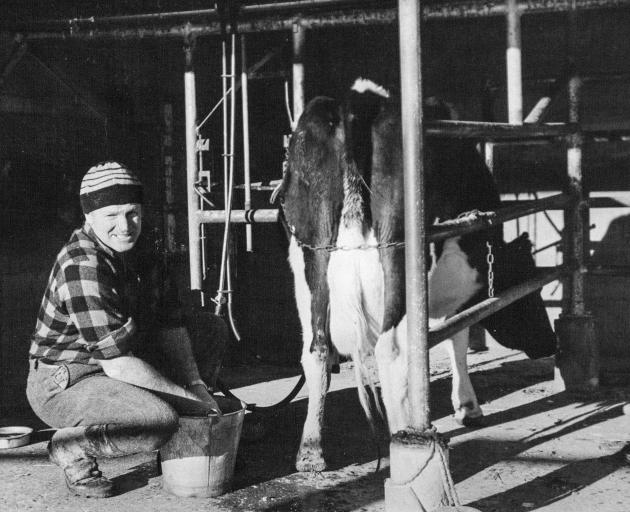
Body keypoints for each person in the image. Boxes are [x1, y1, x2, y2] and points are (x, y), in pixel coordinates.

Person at [26, 161, 227, 498]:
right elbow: (117, 364)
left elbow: (171, 324)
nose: (125, 226)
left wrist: (196, 385)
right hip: (66, 381)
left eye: (133, 213)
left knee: (210, 329)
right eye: (111, 215)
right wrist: (190, 403)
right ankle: (72, 447)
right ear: (89, 217)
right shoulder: (82, 264)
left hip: (121, 357)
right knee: (157, 420)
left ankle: (183, 438)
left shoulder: (145, 248)